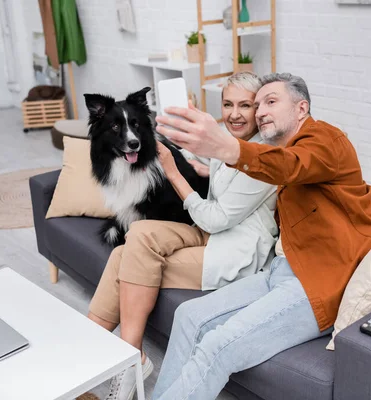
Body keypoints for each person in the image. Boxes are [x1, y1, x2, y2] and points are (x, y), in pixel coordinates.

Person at [151, 72, 371, 400]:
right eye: (257, 105)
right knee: (188, 315)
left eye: (270, 102)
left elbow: (292, 165)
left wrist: (228, 147)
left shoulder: (326, 139)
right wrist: (205, 156)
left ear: (301, 108)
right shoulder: (278, 154)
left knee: (217, 346)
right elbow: (275, 167)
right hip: (280, 271)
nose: (259, 112)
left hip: (317, 284)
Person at [88, 72, 279, 400]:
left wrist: (174, 171)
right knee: (136, 236)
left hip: (235, 249)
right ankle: (89, 351)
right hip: (208, 233)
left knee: (127, 254)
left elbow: (218, 219)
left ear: (258, 109)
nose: (234, 113)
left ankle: (127, 355)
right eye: (228, 103)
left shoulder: (265, 157)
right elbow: (222, 184)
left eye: (244, 105)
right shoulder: (230, 143)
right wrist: (204, 165)